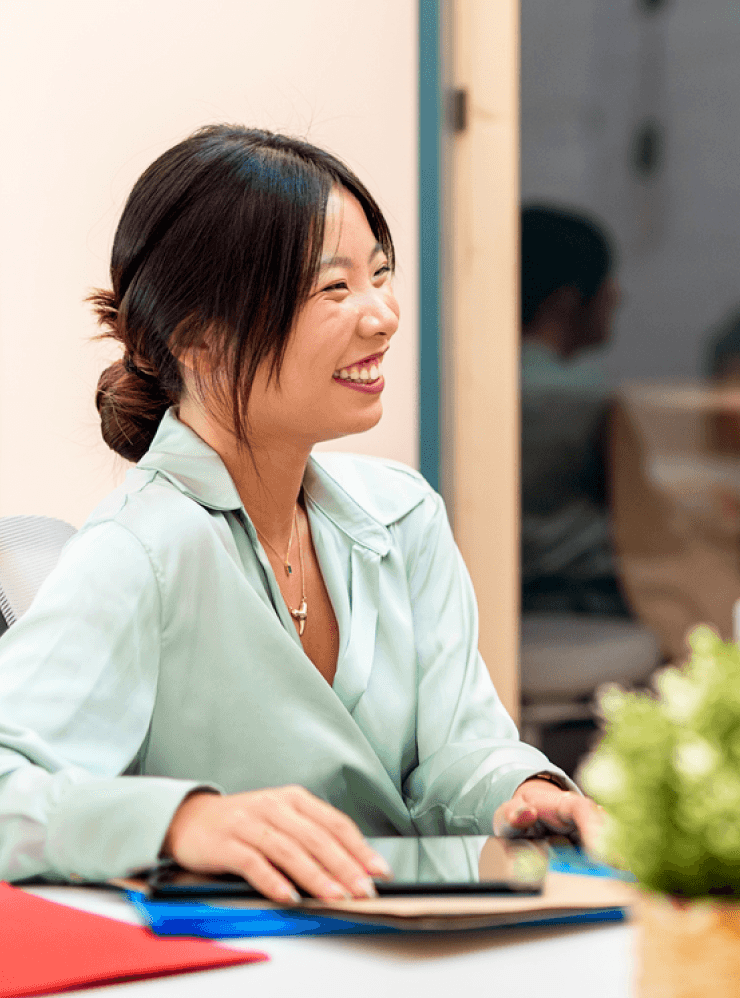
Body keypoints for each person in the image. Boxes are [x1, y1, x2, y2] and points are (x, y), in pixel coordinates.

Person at [0, 126, 599, 902]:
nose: (382, 315)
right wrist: (182, 822)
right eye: (334, 288)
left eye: (381, 275)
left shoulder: (404, 515)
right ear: (200, 339)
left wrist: (522, 793)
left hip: (422, 944)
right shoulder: (141, 550)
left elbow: (456, 750)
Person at [518, 205, 629, 617]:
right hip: (583, 595)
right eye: (607, 284)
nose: (618, 297)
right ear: (566, 302)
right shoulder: (586, 398)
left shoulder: (471, 390)